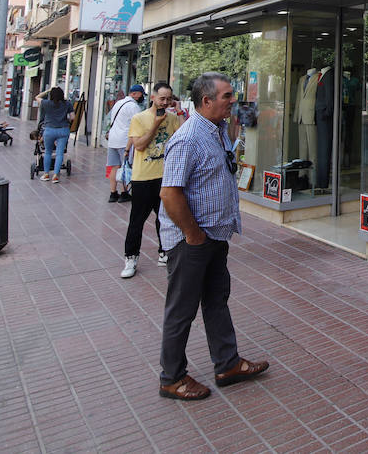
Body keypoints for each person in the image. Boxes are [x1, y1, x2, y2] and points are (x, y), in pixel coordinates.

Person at [157, 72, 268, 400]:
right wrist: (193, 235)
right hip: (193, 241)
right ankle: (171, 377)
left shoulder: (217, 131)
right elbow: (169, 193)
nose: (233, 100)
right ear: (206, 101)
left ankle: (227, 363)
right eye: (227, 96)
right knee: (182, 309)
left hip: (214, 237)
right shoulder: (189, 137)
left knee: (216, 299)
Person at [121, 82, 182, 279]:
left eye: (169, 99)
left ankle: (164, 251)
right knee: (137, 219)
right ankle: (131, 257)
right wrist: (155, 124)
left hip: (165, 176)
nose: (165, 102)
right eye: (162, 98)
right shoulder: (139, 118)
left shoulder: (172, 118)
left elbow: (182, 139)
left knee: (165, 217)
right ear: (153, 97)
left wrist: (179, 113)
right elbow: (138, 145)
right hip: (143, 177)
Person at [107, 84, 146, 203]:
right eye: (141, 94)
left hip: (112, 139)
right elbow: (139, 125)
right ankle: (125, 192)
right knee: (127, 167)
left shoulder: (118, 103)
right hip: (125, 140)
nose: (142, 97)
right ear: (135, 94)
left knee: (114, 167)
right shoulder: (133, 107)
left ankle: (113, 193)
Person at [38, 87, 72, 184]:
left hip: (49, 130)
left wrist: (46, 91)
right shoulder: (67, 104)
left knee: (48, 152)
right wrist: (66, 120)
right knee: (59, 153)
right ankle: (56, 175)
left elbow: (37, 97)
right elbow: (72, 117)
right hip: (63, 130)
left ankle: (46, 174)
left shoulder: (47, 103)